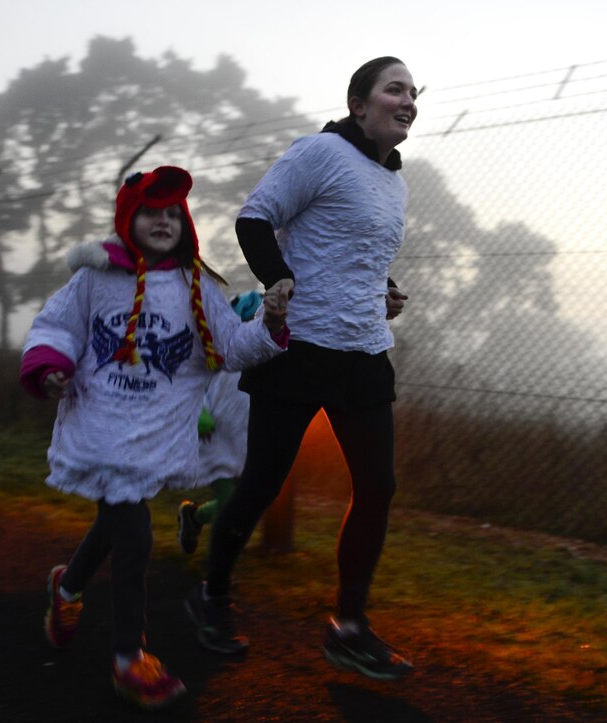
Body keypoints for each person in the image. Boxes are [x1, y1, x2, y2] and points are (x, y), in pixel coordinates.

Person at [19, 166, 289, 709]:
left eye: (172, 214)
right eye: (151, 212)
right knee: (135, 535)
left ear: (184, 222)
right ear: (128, 220)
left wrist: (270, 322)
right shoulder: (94, 279)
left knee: (117, 518)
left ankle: (66, 588)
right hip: (100, 424)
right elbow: (55, 327)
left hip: (154, 432)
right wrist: (50, 366)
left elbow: (233, 349)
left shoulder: (196, 286)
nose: (163, 221)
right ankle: (128, 659)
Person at [185, 56, 416, 681]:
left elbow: (354, 251)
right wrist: (277, 281)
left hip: (364, 351)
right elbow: (254, 219)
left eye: (414, 93)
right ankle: (211, 596)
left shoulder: (394, 179)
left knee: (378, 488)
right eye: (395, 88)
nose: (409, 100)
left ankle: (349, 626)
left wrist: (385, 289)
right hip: (301, 348)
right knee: (261, 483)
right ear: (359, 102)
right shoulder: (317, 152)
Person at [177, 291, 260, 555]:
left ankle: (194, 517)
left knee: (247, 500)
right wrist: (198, 413)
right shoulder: (217, 351)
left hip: (249, 440)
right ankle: (217, 570)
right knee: (228, 502)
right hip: (215, 437)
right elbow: (191, 381)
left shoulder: (269, 354)